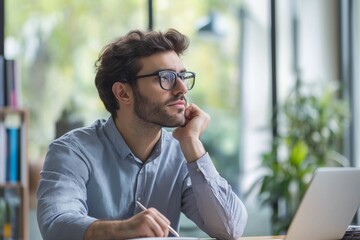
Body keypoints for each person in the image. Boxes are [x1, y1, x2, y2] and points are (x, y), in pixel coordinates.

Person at [37, 28, 248, 240]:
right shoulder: (72, 151)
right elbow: (56, 225)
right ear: (123, 93)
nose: (182, 88)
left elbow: (230, 229)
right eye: (166, 77)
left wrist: (192, 142)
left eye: (182, 76)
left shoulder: (182, 154)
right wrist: (125, 229)